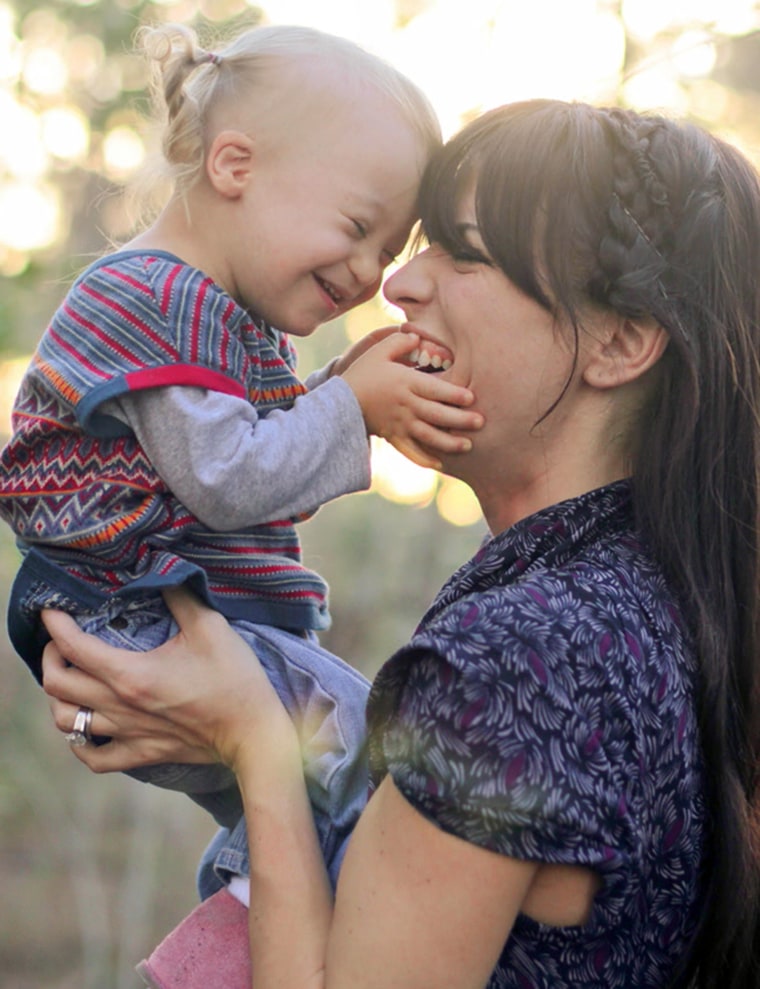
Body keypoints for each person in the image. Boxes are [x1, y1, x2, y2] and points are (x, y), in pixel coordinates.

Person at [39, 97, 760, 989]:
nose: (400, 285)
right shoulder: (650, 612)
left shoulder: (524, 654)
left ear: (619, 342)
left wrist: (257, 740)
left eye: (464, 252)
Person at [0, 20, 483, 893]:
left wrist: (341, 387)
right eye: (358, 226)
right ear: (234, 166)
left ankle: (258, 919)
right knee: (367, 761)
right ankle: (252, 940)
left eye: (388, 250)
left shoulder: (215, 313)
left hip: (150, 611)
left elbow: (239, 448)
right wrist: (352, 410)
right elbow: (228, 478)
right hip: (131, 612)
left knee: (319, 786)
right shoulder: (159, 299)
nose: (370, 272)